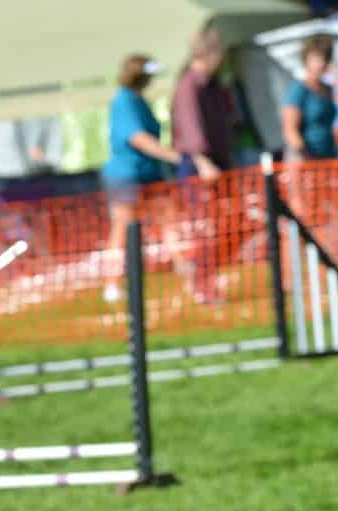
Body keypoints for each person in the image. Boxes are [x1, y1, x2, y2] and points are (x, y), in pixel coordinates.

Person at [99, 54, 183, 303]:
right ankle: (112, 284)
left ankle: (186, 270)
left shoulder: (137, 100)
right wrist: (172, 155)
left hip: (150, 175)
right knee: (122, 229)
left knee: (169, 222)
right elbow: (137, 138)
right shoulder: (124, 101)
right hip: (126, 176)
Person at [170, 28, 236, 304]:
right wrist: (202, 161)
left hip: (218, 163)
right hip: (200, 167)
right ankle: (200, 283)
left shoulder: (213, 85)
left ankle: (205, 280)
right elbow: (189, 128)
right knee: (204, 229)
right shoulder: (189, 86)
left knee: (221, 227)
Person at [282, 35, 338, 162]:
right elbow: (290, 131)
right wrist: (307, 156)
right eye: (316, 59)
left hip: (329, 157)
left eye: (325, 58)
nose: (321, 63)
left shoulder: (329, 89)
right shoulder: (298, 89)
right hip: (304, 159)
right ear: (306, 60)